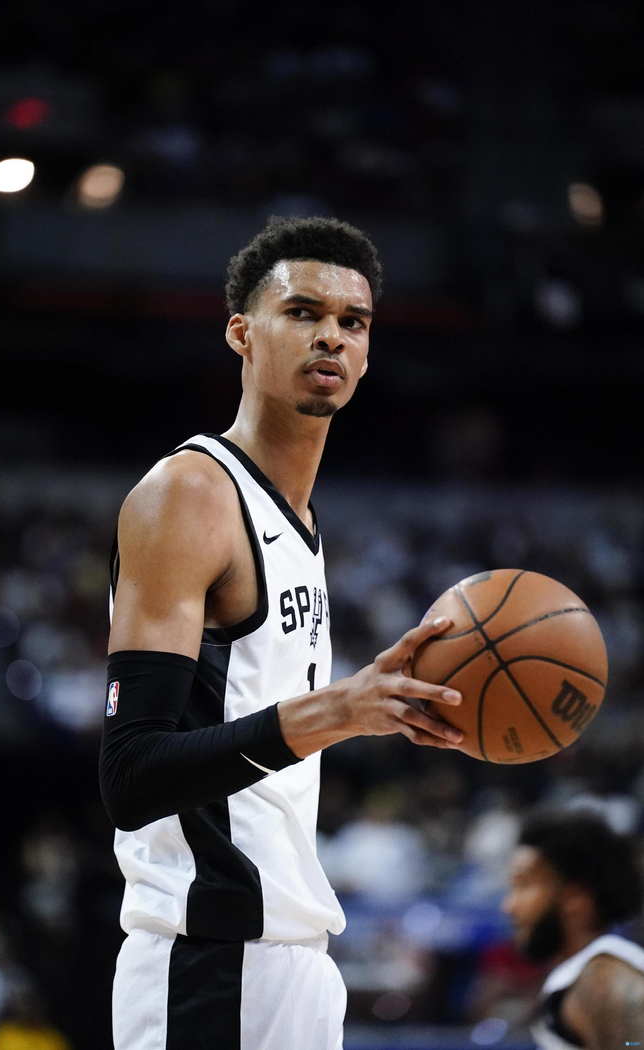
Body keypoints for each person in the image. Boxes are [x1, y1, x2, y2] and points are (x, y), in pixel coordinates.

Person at [100, 215, 464, 1050]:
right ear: (242, 332)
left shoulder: (297, 519)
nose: (331, 335)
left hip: (291, 957)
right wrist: (341, 710)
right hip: (207, 960)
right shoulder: (190, 494)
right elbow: (131, 775)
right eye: (302, 312)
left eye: (353, 322)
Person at [501, 806, 644, 1049]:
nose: (509, 906)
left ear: (574, 898)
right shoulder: (587, 974)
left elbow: (635, 1043)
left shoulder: (603, 980)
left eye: (524, 885)